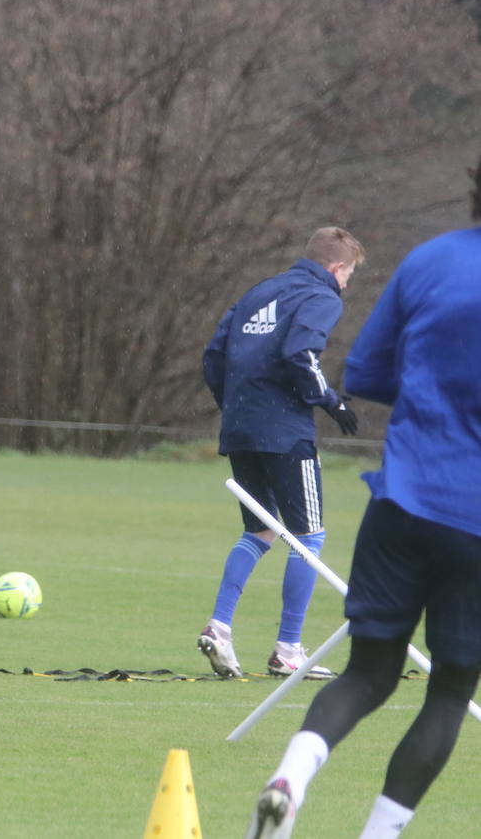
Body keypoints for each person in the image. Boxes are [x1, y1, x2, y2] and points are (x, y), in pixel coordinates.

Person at [246, 224, 481, 837]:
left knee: (367, 674)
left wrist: (435, 388)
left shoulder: (430, 258)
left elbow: (368, 373)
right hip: (476, 524)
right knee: (450, 693)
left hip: (402, 500)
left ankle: (289, 779)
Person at [198, 227, 365, 679]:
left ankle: (220, 627)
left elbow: (213, 356)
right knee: (308, 537)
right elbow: (300, 352)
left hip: (240, 426)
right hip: (286, 433)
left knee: (260, 531)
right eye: (348, 273)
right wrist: (332, 402)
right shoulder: (322, 296)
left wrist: (235, 406)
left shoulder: (260, 291)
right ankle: (288, 649)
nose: (346, 284)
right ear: (336, 267)